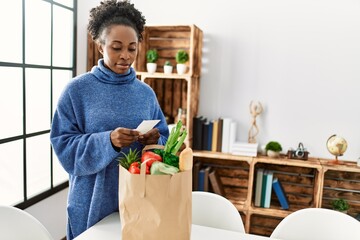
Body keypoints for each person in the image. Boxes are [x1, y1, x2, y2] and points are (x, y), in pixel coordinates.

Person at [50, 0, 169, 239]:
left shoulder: (145, 93)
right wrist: (109, 141)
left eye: (132, 48)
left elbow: (165, 139)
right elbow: (63, 145)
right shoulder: (77, 91)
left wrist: (155, 139)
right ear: (100, 45)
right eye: (117, 47)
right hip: (91, 202)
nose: (126, 56)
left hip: (140, 200)